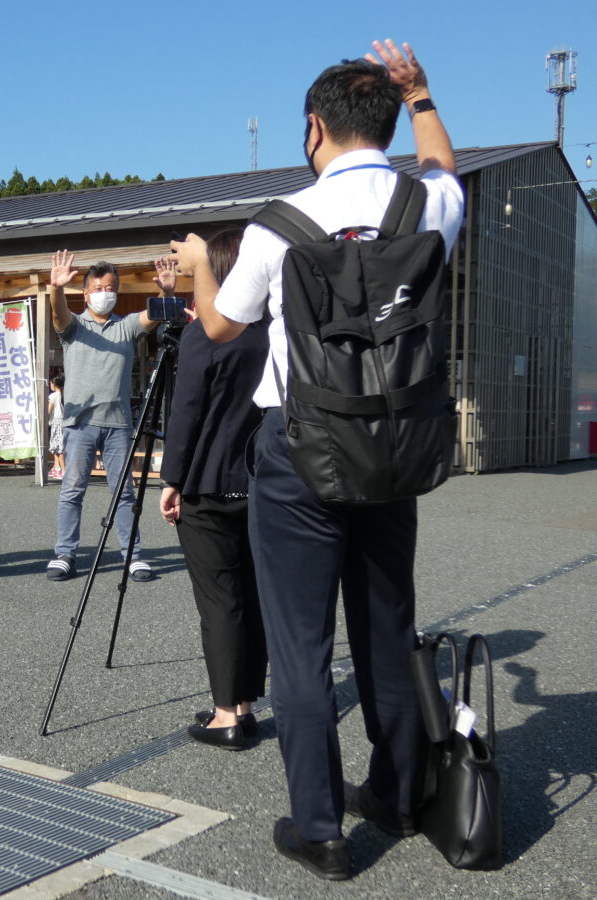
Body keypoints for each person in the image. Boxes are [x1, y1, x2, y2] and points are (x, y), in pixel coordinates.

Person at [172, 41, 463, 880]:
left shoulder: (278, 224)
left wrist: (198, 268)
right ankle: (401, 792)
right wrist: (424, 96)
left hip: (298, 449)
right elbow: (445, 168)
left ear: (313, 129)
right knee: (386, 626)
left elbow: (221, 328)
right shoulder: (426, 206)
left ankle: (321, 828)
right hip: (395, 445)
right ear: (384, 119)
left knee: (302, 645)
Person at [157, 233, 269, 752]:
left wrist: (170, 479)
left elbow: (186, 414)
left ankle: (225, 713)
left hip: (206, 484)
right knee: (253, 597)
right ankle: (244, 703)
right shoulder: (269, 332)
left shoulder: (208, 335)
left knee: (220, 602)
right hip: (261, 482)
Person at [45, 253, 161, 582]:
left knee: (123, 491)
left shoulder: (125, 327)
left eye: (110, 287)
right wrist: (56, 286)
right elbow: (58, 312)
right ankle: (65, 554)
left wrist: (166, 293)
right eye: (98, 287)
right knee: (72, 489)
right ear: (85, 293)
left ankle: (132, 555)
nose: (104, 292)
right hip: (80, 423)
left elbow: (151, 317)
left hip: (118, 424)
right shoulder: (74, 326)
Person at [46, 374, 65, 479]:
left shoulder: (53, 396)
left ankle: (61, 469)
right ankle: (56, 467)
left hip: (56, 422)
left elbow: (48, 411)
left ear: (53, 384)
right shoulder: (64, 395)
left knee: (56, 445)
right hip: (63, 422)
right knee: (58, 445)